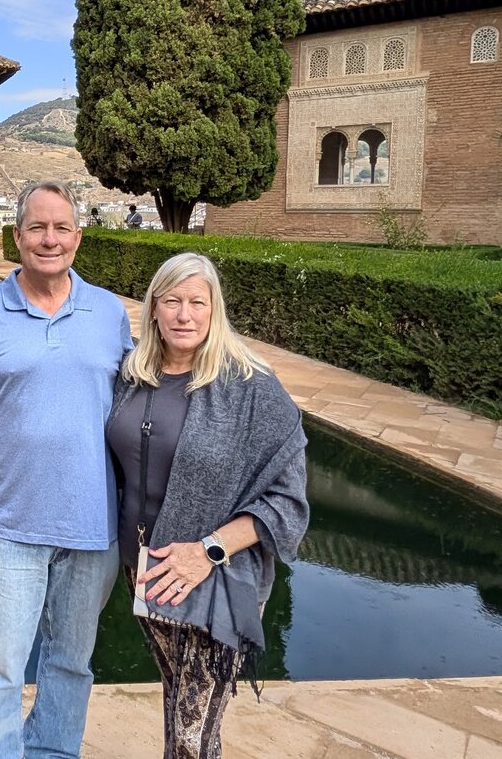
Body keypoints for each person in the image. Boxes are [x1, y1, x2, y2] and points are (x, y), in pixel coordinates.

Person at [0, 180, 134, 758]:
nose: (49, 239)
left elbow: (135, 406)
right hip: (5, 526)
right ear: (17, 235)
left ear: (78, 236)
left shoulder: (108, 313)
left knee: (71, 663)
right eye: (36, 228)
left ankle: (53, 751)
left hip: (91, 527)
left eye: (61, 228)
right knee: (0, 667)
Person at [106, 253, 308, 759]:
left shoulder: (251, 388)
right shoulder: (133, 375)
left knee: (193, 733)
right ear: (153, 308)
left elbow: (288, 502)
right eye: (172, 301)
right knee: (180, 707)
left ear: (215, 309)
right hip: (146, 571)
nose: (184, 314)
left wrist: (208, 551)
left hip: (212, 577)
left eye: (198, 302)